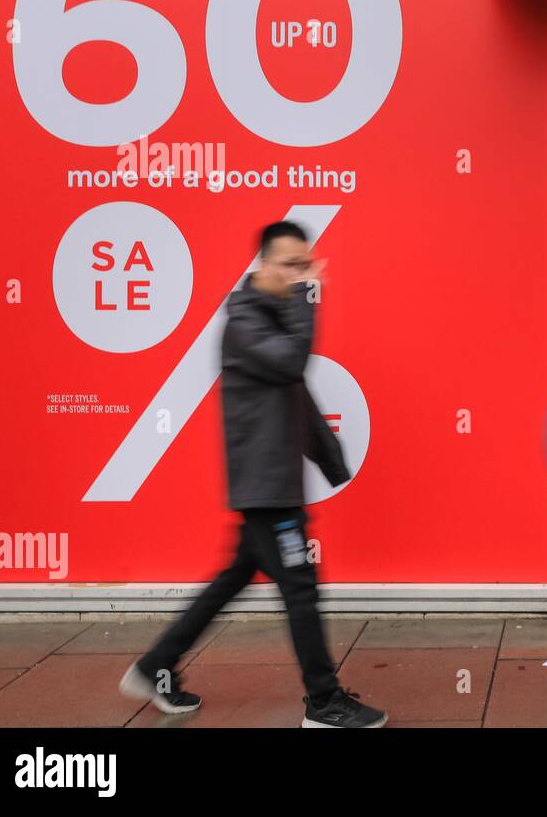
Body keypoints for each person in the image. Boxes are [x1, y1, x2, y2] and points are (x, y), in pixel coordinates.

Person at [120, 220, 387, 728]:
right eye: (289, 265)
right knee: (300, 590)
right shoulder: (244, 323)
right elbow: (291, 366)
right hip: (266, 490)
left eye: (304, 266)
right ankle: (324, 703)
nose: (299, 275)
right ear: (262, 266)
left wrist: (329, 460)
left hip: (270, 484)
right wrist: (308, 296)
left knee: (234, 578)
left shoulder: (269, 319)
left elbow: (296, 399)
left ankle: (154, 666)